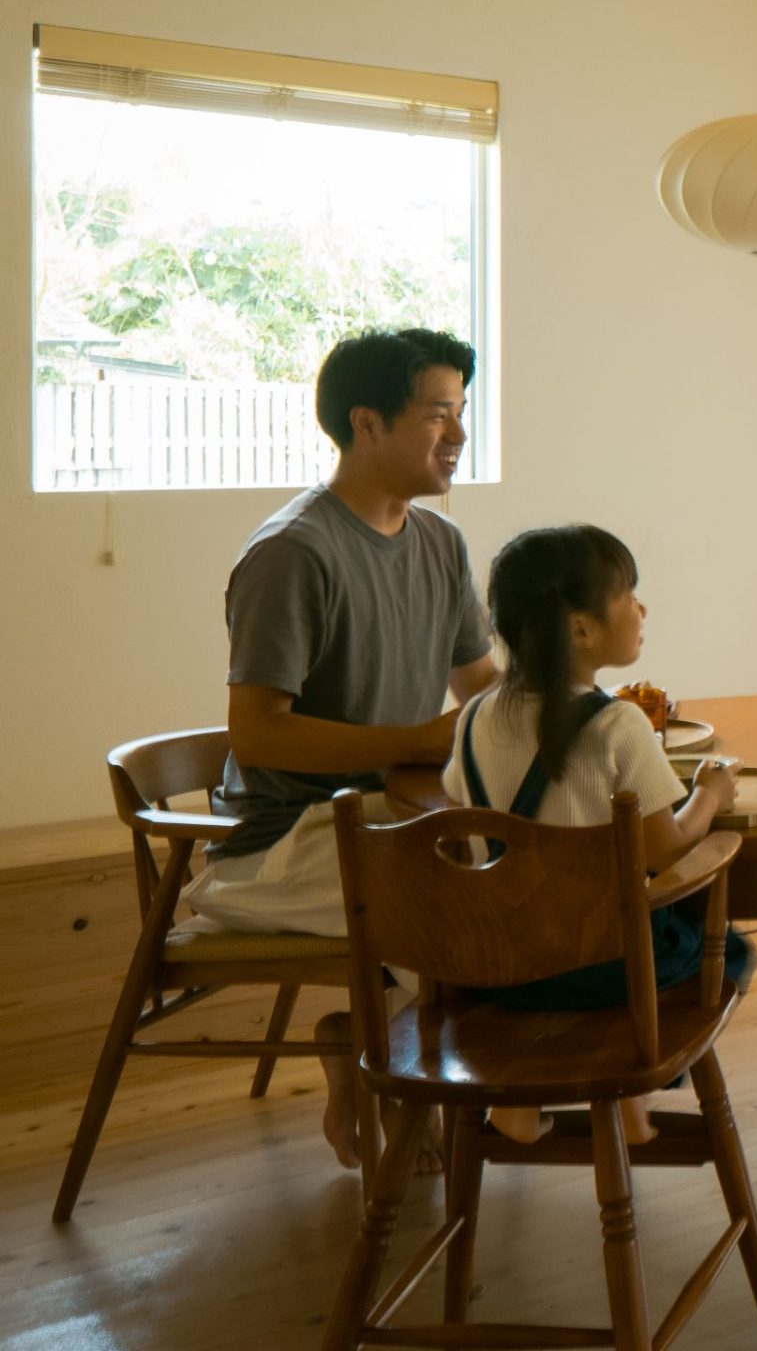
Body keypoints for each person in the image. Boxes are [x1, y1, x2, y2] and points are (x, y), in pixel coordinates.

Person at [187, 328, 499, 1168]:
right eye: (440, 415)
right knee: (464, 902)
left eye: (461, 413)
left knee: (522, 871)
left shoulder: (440, 544)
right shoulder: (294, 553)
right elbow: (257, 733)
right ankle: (397, 1071)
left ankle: (374, 1041)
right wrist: (417, 740)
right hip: (282, 844)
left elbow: (483, 690)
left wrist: (577, 716)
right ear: (367, 424)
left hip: (385, 821)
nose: (460, 435)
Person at [442, 524, 752, 1147]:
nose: (641, 609)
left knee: (636, 936)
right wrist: (709, 797)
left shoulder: (475, 714)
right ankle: (630, 1089)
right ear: (581, 629)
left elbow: (459, 803)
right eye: (628, 594)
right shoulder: (619, 725)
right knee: (733, 952)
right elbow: (664, 848)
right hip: (599, 969)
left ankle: (536, 1107)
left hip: (499, 966)